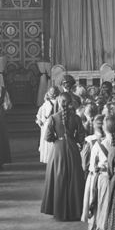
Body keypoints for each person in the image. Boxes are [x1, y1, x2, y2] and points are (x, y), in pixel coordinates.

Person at [40, 92, 87, 221]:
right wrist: (73, 140)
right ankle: (75, 211)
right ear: (71, 103)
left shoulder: (53, 118)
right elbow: (82, 136)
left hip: (58, 150)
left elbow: (48, 137)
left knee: (58, 178)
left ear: (59, 103)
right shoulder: (76, 118)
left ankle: (58, 210)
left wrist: (58, 139)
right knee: (74, 178)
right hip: (72, 149)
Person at [36, 86, 58, 164]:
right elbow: (39, 114)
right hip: (47, 124)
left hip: (55, 124)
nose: (52, 94)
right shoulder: (46, 104)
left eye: (53, 92)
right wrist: (39, 120)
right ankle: (49, 157)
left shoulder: (58, 102)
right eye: (51, 92)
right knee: (47, 141)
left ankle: (53, 157)